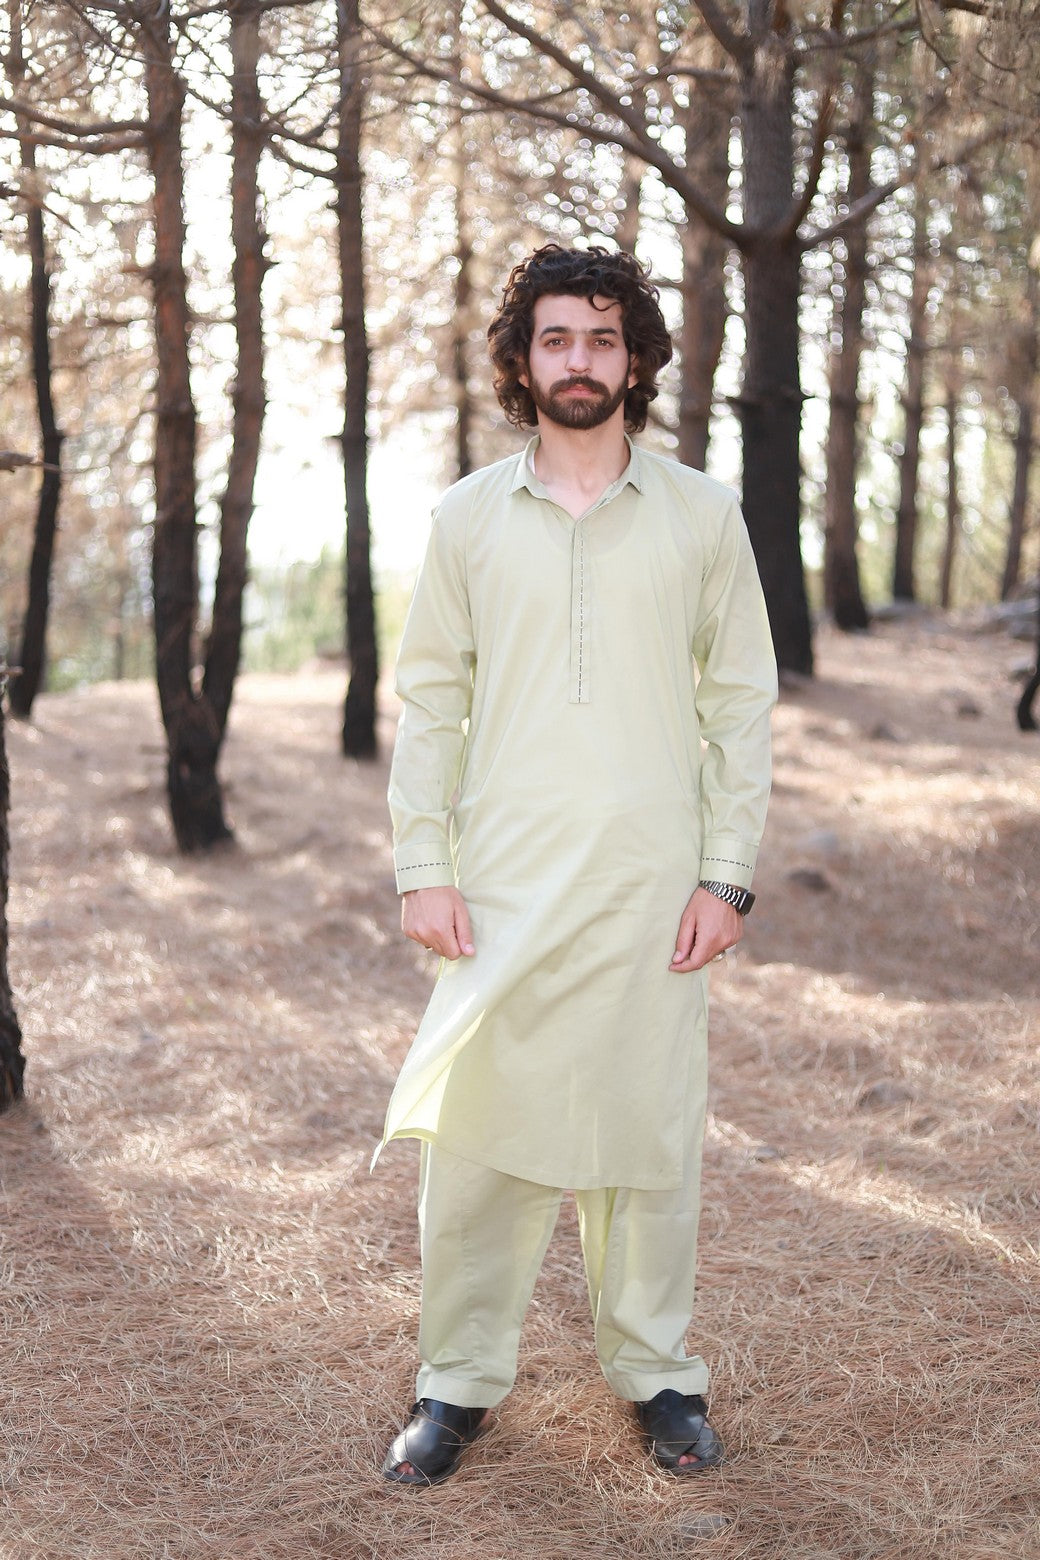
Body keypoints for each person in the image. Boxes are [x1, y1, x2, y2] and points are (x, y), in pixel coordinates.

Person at [378, 243, 777, 1487]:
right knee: (479, 1143)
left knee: (646, 1138)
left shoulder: (702, 514)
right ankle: (455, 1381)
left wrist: (724, 874)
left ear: (636, 360)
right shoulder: (464, 518)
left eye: (603, 338)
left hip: (653, 886)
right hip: (499, 883)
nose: (579, 359)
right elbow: (430, 702)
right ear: (522, 359)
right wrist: (421, 865)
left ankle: (658, 1376)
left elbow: (740, 703)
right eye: (555, 337)